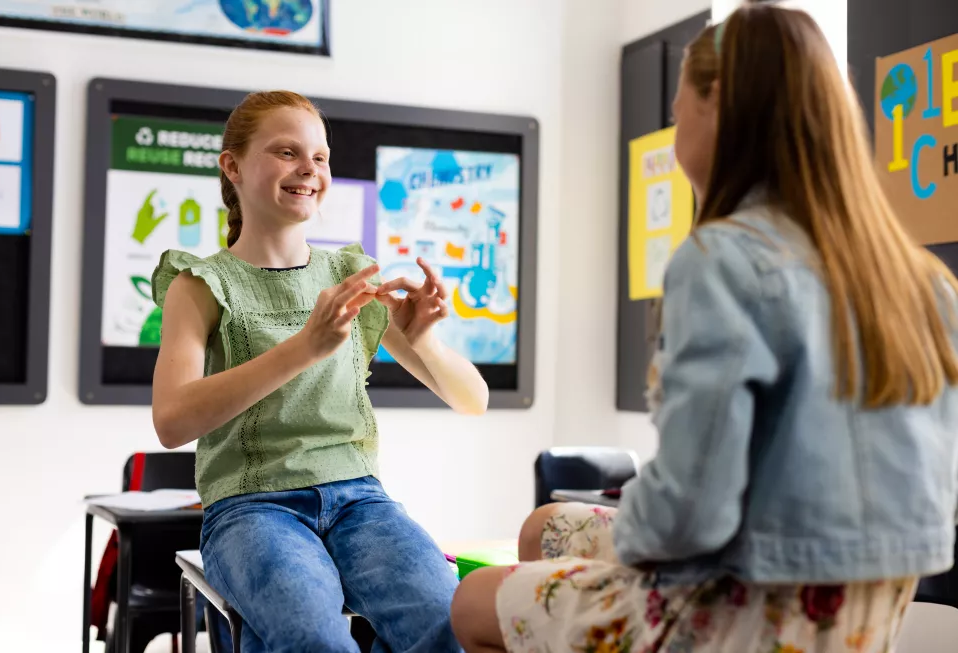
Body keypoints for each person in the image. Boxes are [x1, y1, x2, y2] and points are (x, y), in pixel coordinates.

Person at [449, 4, 958, 652]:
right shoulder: (925, 280)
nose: (673, 125)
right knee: (545, 527)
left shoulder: (722, 258)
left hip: (744, 611)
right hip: (862, 611)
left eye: (676, 106)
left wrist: (631, 539)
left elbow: (691, 513)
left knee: (472, 599)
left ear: (719, 101)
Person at [150, 89, 489, 652]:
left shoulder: (352, 276)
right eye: (286, 152)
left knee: (448, 623)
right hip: (250, 506)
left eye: (321, 157)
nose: (309, 168)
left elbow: (472, 398)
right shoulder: (200, 284)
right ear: (232, 166)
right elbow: (171, 421)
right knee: (315, 639)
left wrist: (425, 341)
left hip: (360, 500)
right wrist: (306, 346)